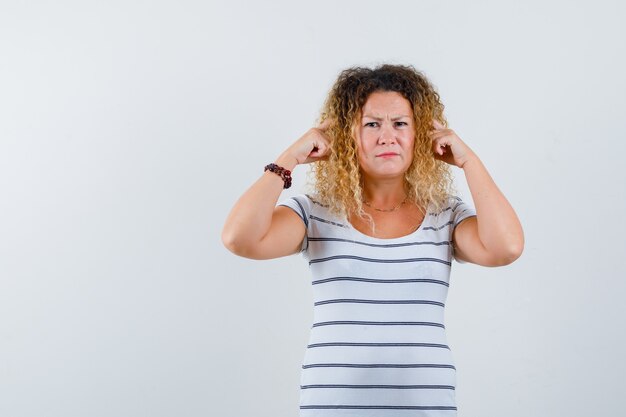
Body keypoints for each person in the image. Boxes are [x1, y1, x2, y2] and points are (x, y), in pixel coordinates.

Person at [222, 63, 524, 416]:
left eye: (400, 124)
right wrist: (290, 157)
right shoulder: (315, 212)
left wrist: (469, 161)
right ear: (348, 136)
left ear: (420, 135)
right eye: (371, 124)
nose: (387, 136)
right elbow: (239, 238)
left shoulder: (446, 215)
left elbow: (506, 247)